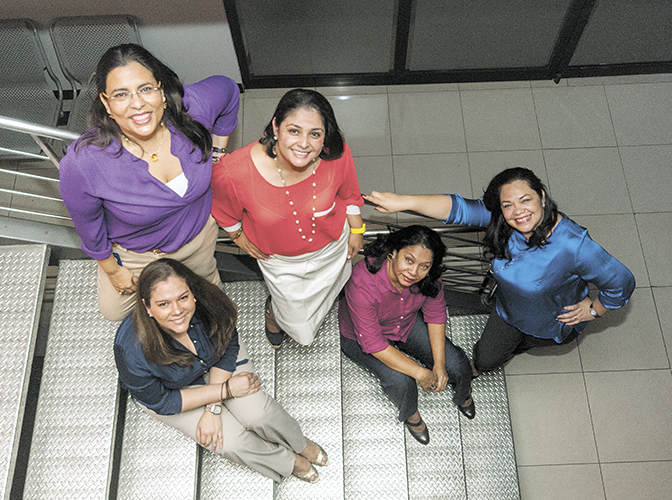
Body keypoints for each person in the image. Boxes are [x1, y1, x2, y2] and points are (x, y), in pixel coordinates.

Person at [364, 167, 636, 374]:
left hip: (550, 323)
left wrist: (593, 309)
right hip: (506, 311)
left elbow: (622, 282)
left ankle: (511, 351)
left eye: (525, 200)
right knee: (486, 357)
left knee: (521, 346)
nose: (518, 212)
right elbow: (458, 208)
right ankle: (485, 363)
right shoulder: (506, 223)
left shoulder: (574, 246)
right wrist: (404, 202)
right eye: (508, 205)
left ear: (541, 197)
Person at [59, 44, 240, 321]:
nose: (137, 103)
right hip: (138, 253)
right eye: (121, 94)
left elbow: (228, 89)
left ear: (161, 91)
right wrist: (112, 269)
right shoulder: (85, 161)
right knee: (113, 312)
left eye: (146, 89)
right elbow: (88, 225)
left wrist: (216, 153)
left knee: (209, 296)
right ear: (107, 104)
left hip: (197, 238)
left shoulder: (192, 110)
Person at [114, 258, 328, 483]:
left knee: (260, 414)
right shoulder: (131, 350)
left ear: (192, 293)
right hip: (176, 392)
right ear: (147, 307)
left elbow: (228, 341)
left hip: (219, 363)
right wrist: (224, 391)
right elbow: (162, 402)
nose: (177, 311)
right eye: (163, 304)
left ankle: (300, 443)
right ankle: (288, 462)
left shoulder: (209, 301)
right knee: (231, 442)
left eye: (183, 298)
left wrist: (213, 407)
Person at [211, 89, 364, 348]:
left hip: (331, 251)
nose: (304, 144)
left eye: (315, 134)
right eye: (294, 131)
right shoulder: (233, 171)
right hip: (281, 263)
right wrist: (237, 236)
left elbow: (349, 195)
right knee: (300, 327)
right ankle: (274, 314)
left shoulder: (336, 155)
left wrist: (357, 231)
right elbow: (223, 210)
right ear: (275, 126)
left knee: (329, 293)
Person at [338, 225, 475, 445]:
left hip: (405, 324)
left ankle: (462, 393)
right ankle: (411, 414)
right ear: (393, 252)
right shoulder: (361, 281)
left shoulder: (427, 277)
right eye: (408, 260)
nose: (414, 273)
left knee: (457, 363)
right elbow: (374, 344)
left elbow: (436, 313)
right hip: (360, 337)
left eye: (424, 266)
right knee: (401, 381)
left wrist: (438, 364)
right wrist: (421, 373)